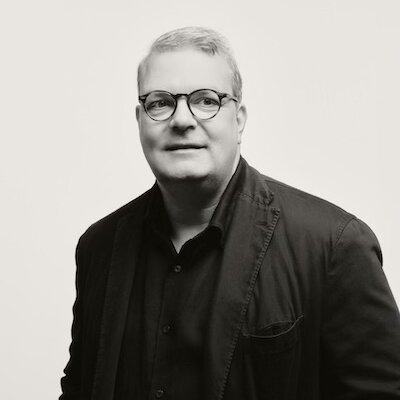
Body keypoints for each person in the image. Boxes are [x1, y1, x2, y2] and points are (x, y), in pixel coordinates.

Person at [60, 26, 400, 400]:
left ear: (238, 119)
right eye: (160, 103)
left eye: (206, 100)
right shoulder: (98, 248)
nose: (182, 120)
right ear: (139, 120)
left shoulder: (334, 245)